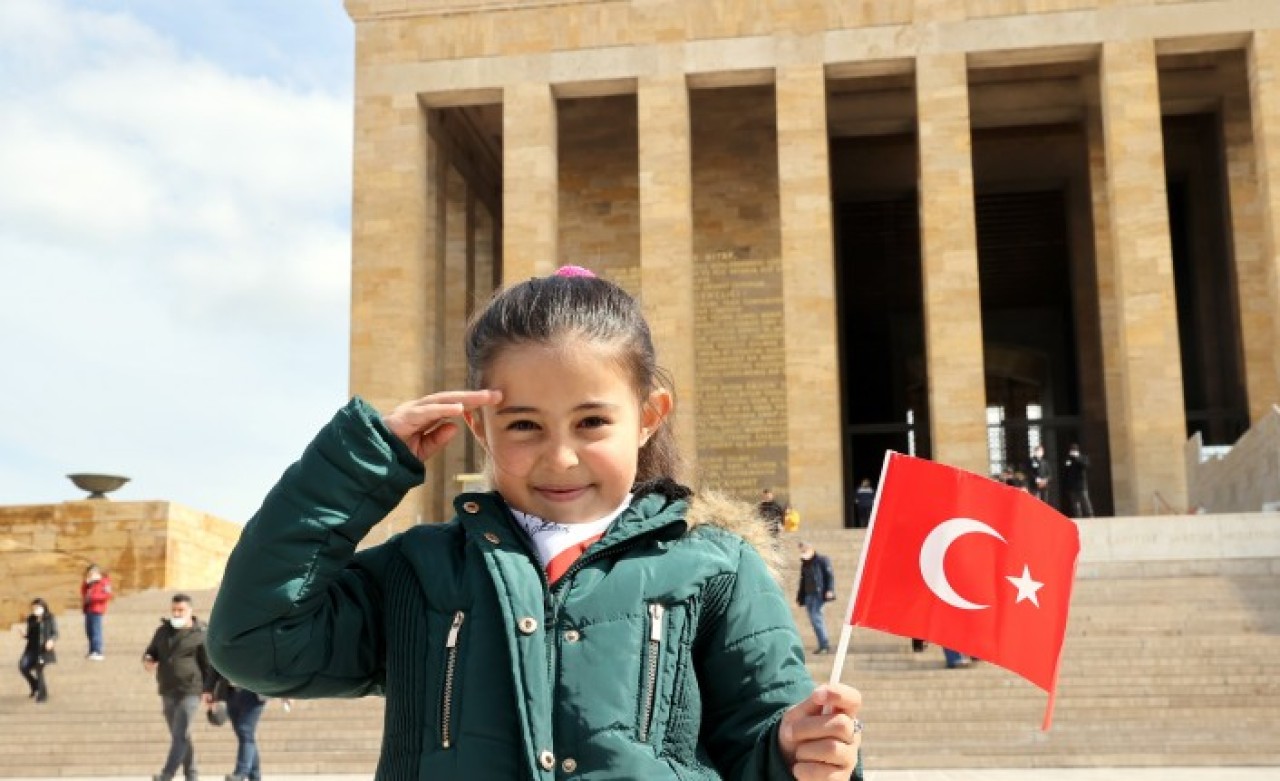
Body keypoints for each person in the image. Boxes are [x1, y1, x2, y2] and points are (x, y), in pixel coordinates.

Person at [207, 268, 864, 780]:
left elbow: (761, 736)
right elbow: (254, 641)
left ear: (649, 415)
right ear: (477, 426)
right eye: (524, 424)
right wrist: (357, 467)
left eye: (591, 421)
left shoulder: (715, 565)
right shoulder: (421, 571)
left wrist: (802, 752)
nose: (560, 456)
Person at [143, 593, 211, 781]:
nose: (177, 613)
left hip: (191, 690)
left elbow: (208, 666)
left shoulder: (201, 634)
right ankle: (192, 774)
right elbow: (151, 651)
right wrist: (148, 659)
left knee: (180, 733)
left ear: (190, 611)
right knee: (180, 734)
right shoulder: (163, 631)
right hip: (167, 689)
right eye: (174, 609)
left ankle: (167, 774)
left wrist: (209, 690)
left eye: (181, 610)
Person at [206, 667, 275, 781]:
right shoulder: (226, 648)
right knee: (245, 735)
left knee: (245, 730)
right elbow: (216, 664)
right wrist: (208, 689)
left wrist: (285, 690)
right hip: (231, 692)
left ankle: (240, 773)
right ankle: (255, 776)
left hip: (254, 693)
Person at [796, 541, 836, 655]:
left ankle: (825, 645)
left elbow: (829, 576)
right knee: (814, 621)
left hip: (818, 595)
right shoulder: (805, 563)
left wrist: (830, 590)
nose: (803, 552)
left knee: (816, 618)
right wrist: (800, 597)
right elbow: (803, 581)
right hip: (808, 595)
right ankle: (822, 644)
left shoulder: (822, 560)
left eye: (804, 549)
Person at [19, 597, 58, 703]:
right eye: (34, 608)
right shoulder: (31, 619)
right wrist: (25, 635)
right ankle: (35, 685)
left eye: (38, 607)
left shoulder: (50, 618)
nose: (36, 610)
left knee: (39, 670)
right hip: (31, 648)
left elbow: (55, 633)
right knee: (23, 667)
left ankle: (42, 695)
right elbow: (30, 634)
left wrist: (51, 640)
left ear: (43, 607)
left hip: (43, 650)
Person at [81, 563, 113, 660]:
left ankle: (97, 651)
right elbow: (83, 592)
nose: (91, 574)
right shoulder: (90, 583)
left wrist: (93, 598)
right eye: (89, 573)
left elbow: (107, 595)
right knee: (89, 631)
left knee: (96, 631)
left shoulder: (104, 581)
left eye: (93, 572)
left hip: (97, 609)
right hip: (88, 609)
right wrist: (86, 583)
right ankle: (91, 651)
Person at [1063, 443, 1094, 518]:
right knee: (1075, 503)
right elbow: (1066, 470)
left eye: (1074, 450)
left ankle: (1090, 515)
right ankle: (1078, 516)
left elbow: (1086, 465)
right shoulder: (1068, 459)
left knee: (1085, 500)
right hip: (1072, 485)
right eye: (1072, 450)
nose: (1073, 452)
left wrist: (1077, 458)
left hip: (1081, 484)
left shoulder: (1083, 458)